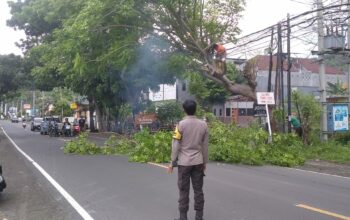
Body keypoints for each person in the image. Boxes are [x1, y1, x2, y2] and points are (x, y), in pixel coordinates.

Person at [168, 99, 209, 220]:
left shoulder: (180, 125)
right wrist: (205, 161)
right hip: (198, 162)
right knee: (198, 190)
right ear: (195, 109)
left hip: (184, 163)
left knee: (183, 190)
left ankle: (183, 217)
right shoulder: (203, 125)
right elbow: (205, 146)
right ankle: (199, 216)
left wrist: (172, 161)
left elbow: (175, 144)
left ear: (184, 110)